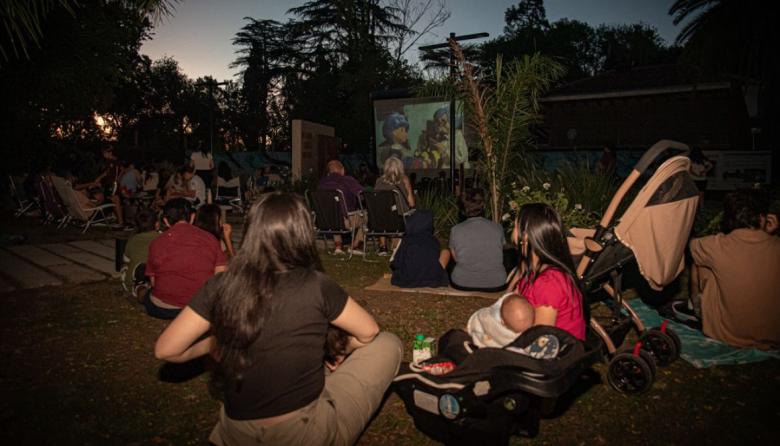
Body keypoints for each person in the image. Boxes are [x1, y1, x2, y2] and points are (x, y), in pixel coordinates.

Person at [154, 192, 403, 445]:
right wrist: (338, 348)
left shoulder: (221, 285)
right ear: (303, 233)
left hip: (235, 433)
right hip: (303, 432)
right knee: (388, 343)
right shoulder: (316, 285)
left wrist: (217, 341)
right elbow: (369, 332)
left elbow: (166, 350)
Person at [674, 189, 780, 349]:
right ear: (762, 218)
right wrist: (766, 232)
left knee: (701, 261)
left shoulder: (716, 245)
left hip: (726, 334)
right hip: (773, 336)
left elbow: (690, 245)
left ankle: (695, 306)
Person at [511, 203, 586, 341]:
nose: (512, 230)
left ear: (526, 236)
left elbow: (540, 339)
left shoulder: (549, 282)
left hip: (557, 355)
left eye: (515, 226)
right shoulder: (534, 269)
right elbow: (507, 303)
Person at [143, 198, 227, 319]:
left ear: (166, 221)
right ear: (192, 217)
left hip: (164, 308)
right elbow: (220, 276)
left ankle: (138, 289)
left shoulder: (156, 243)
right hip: (200, 309)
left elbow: (154, 282)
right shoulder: (210, 239)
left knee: (146, 292)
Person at [445, 189, 507, 292]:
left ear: (462, 209)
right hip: (496, 282)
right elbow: (501, 250)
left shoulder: (456, 230)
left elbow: (455, 258)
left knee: (452, 258)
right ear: (483, 207)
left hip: (462, 282)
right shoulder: (497, 227)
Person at [390, 210, 449, 288]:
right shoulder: (433, 240)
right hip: (432, 278)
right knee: (445, 251)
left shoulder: (406, 240)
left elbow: (397, 262)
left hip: (408, 279)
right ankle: (435, 273)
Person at [317, 159, 365, 254]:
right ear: (342, 170)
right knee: (367, 215)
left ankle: (338, 246)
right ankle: (355, 246)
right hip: (346, 222)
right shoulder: (347, 180)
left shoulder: (321, 184)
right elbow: (362, 194)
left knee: (334, 212)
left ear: (329, 172)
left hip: (325, 222)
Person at [467, 293, 535, 348]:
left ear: (502, 322)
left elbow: (480, 318)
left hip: (481, 346)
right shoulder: (522, 341)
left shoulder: (491, 318)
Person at [122, 209, 159, 300]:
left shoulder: (133, 239)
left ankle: (139, 286)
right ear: (157, 224)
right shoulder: (161, 238)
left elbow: (126, 259)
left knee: (126, 266)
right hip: (156, 279)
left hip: (133, 281)